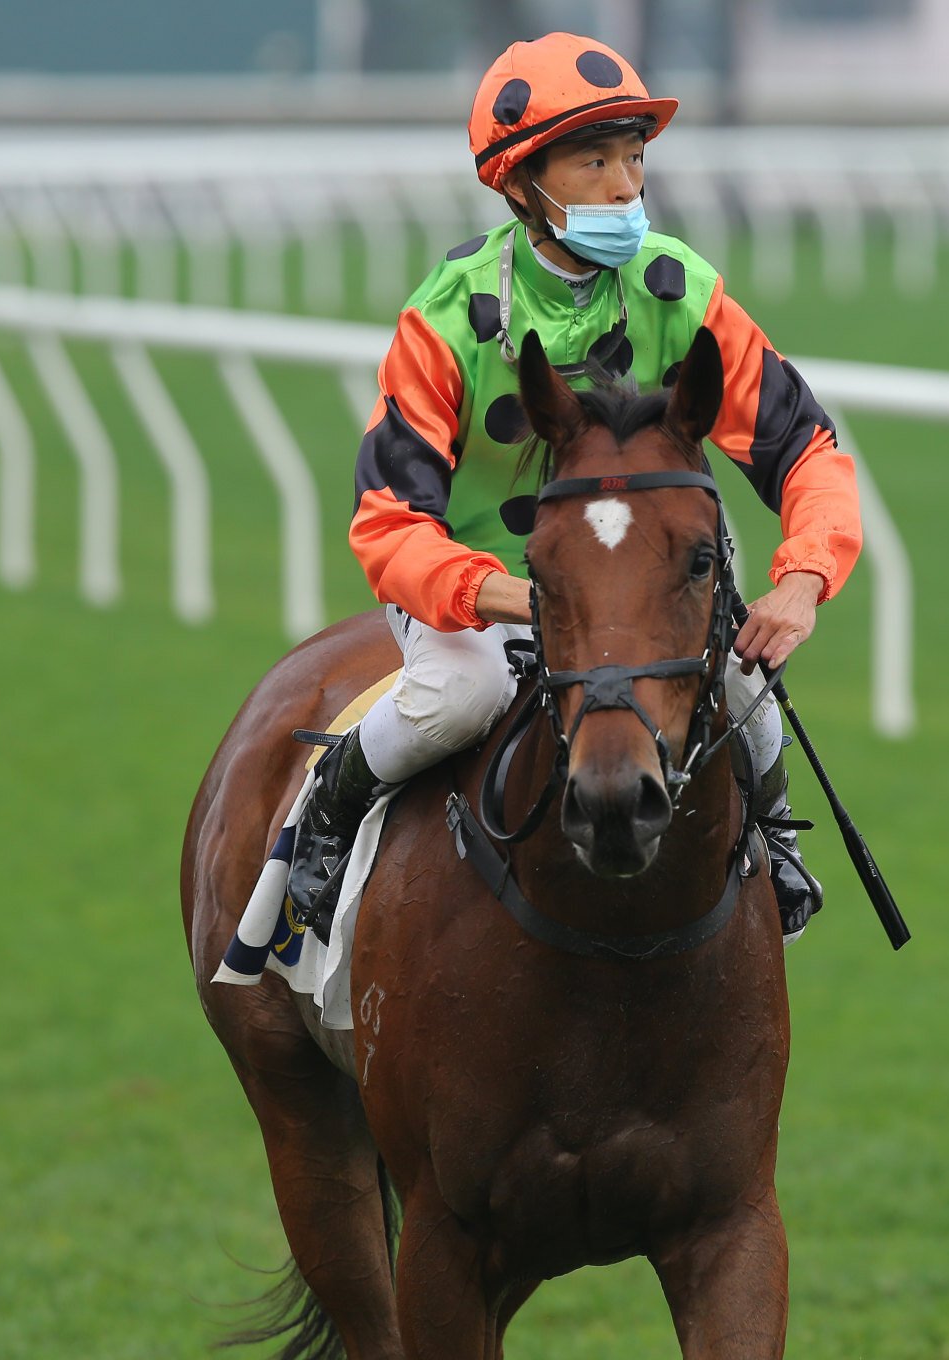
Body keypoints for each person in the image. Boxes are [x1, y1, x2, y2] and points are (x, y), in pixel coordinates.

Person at [289, 32, 862, 945]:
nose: (627, 185)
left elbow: (810, 449)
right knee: (460, 698)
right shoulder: (448, 315)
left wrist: (802, 578)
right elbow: (389, 521)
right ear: (523, 182)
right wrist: (500, 593)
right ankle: (328, 810)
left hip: (647, 579)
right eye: (594, 161)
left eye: (634, 157)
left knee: (747, 698)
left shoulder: (679, 289)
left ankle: (776, 839)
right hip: (480, 585)